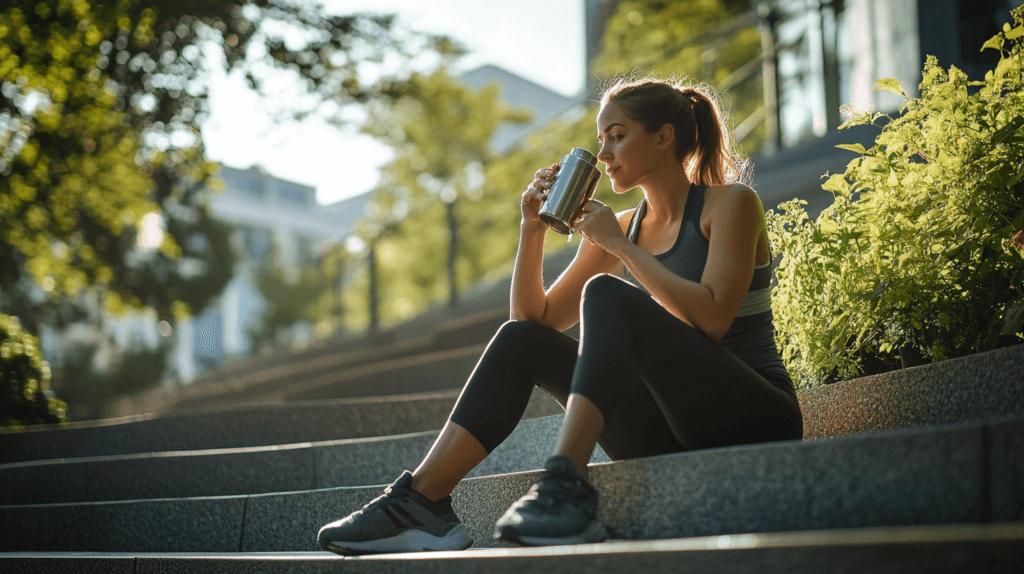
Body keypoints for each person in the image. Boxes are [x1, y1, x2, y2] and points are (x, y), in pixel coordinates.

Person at [317, 77, 804, 556]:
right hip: (672, 430)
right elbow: (532, 324)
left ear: (663, 137)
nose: (605, 153)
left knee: (606, 295)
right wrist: (531, 232)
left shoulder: (730, 203)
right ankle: (420, 503)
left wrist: (619, 248)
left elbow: (714, 319)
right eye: (601, 140)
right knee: (522, 340)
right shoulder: (623, 228)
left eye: (618, 135)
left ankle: (565, 486)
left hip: (754, 416)